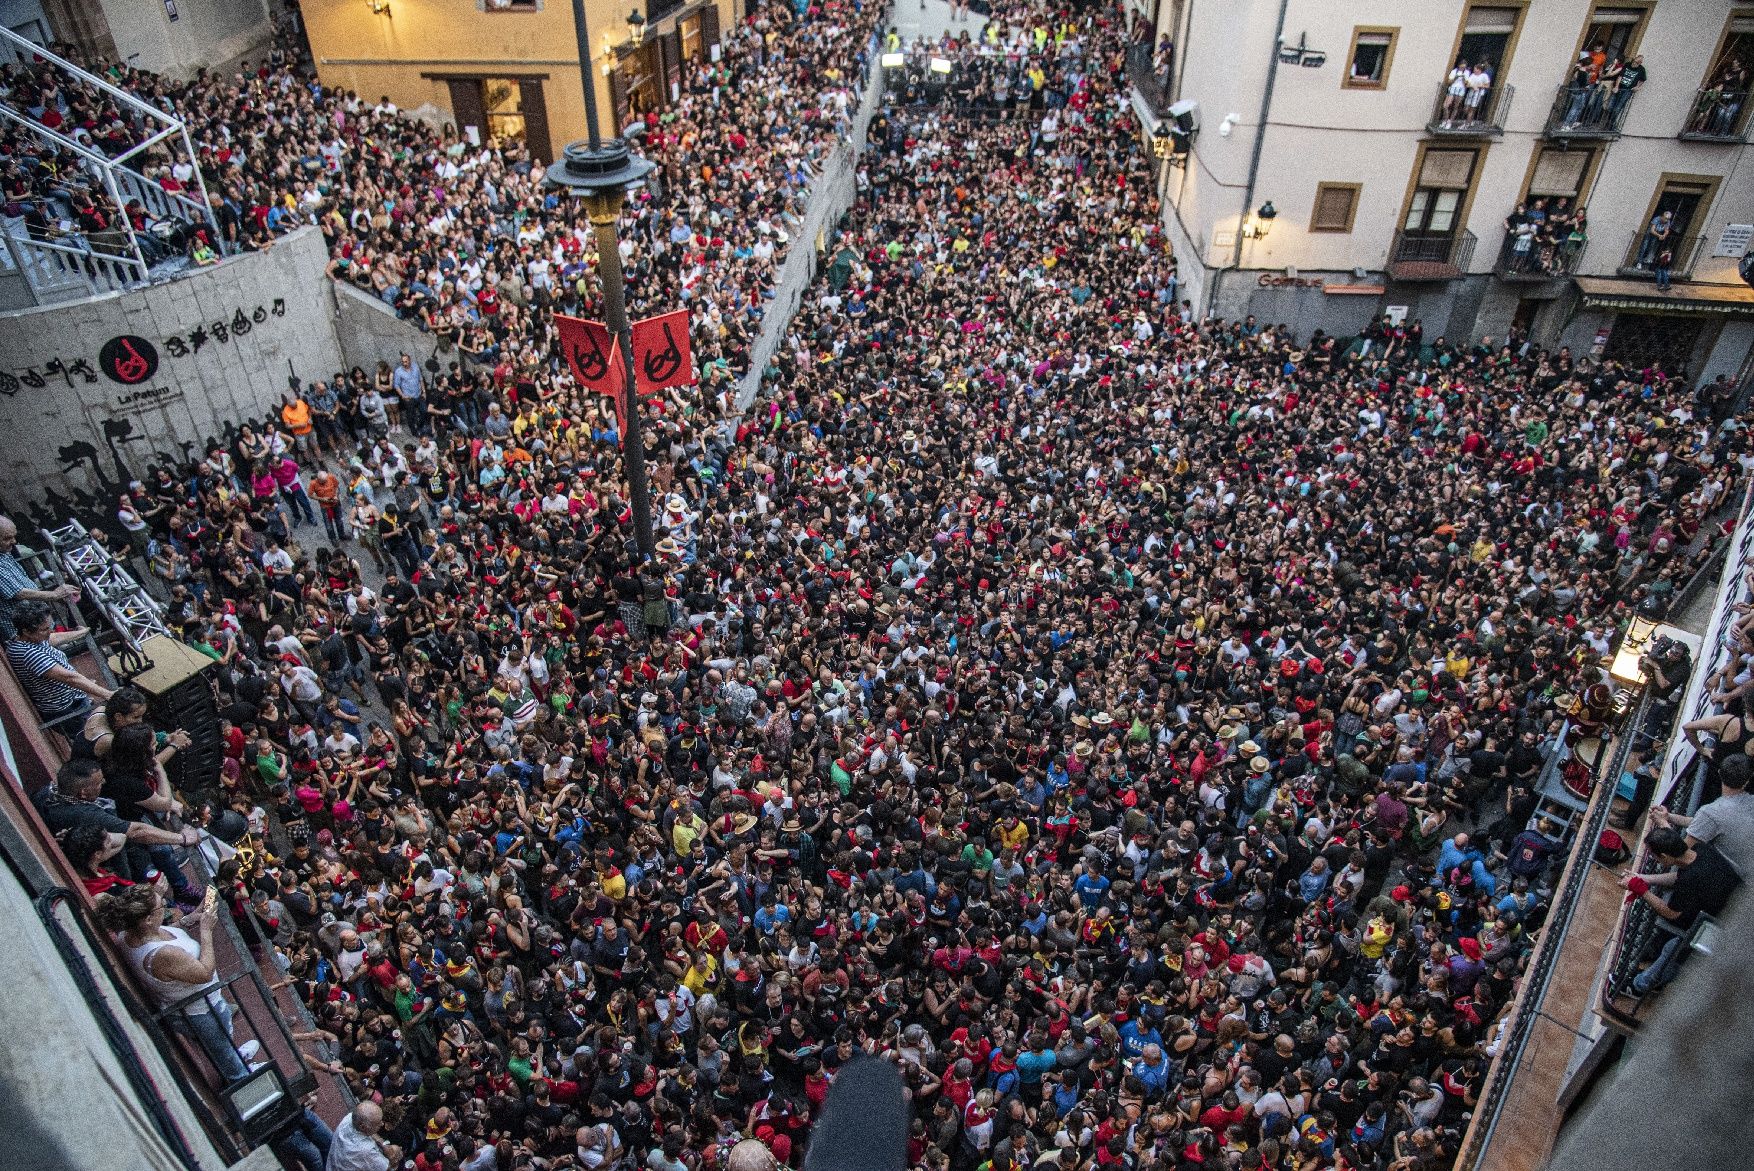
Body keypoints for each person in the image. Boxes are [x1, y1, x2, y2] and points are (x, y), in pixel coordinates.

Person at [96, 883, 260, 1082]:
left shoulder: (130, 933)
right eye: (160, 906)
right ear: (147, 919)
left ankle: (236, 1057)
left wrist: (190, 919)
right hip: (200, 1010)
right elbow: (205, 973)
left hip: (198, 1003)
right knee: (222, 1050)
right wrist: (206, 930)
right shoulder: (163, 955)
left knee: (222, 1042)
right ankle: (242, 1075)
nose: (165, 904)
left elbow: (162, 934)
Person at [1623, 827, 1742, 995]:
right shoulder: (1701, 850)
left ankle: (1640, 986)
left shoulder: (1691, 878)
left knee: (1675, 948)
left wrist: (1642, 891)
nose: (1653, 858)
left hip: (1727, 929)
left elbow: (1672, 913)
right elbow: (1679, 876)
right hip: (1734, 911)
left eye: (1654, 855)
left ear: (1663, 856)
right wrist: (1643, 879)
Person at [5, 600, 113, 729]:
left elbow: (53, 638)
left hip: (73, 698)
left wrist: (80, 633)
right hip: (69, 709)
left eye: (50, 626)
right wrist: (107, 694)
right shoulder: (28, 654)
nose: (50, 631)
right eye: (45, 629)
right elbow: (70, 678)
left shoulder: (27, 639)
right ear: (27, 631)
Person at [0, 515, 81, 640]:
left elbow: (24, 584)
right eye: (7, 538)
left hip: (36, 625)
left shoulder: (5, 553)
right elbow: (18, 593)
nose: (14, 541)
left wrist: (55, 596)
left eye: (14, 536)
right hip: (24, 634)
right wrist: (54, 595)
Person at [328, 1101, 398, 1171]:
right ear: (363, 1127)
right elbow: (387, 1168)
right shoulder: (366, 1150)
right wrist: (394, 1159)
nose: (382, 1124)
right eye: (378, 1123)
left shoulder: (349, 1118)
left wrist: (382, 1143)